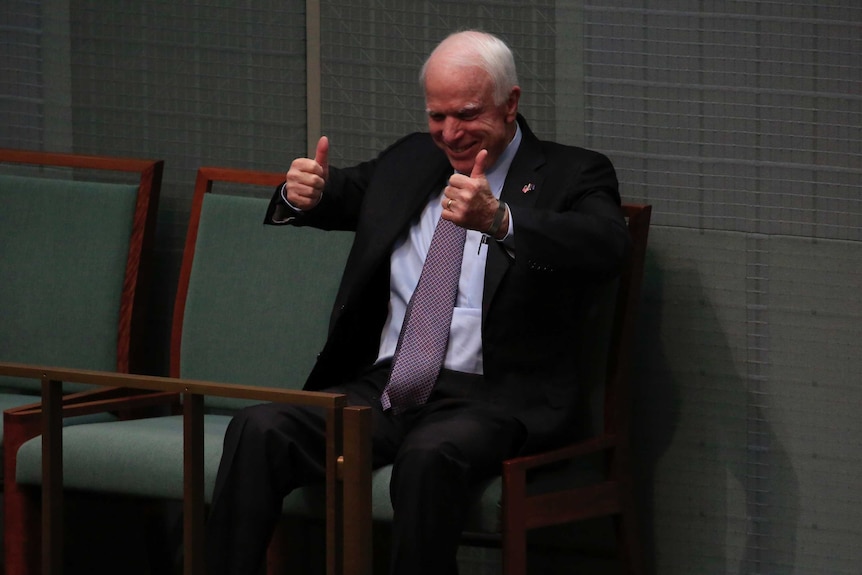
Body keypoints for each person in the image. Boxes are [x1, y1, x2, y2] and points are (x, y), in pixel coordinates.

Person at [205, 29, 630, 575]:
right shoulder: (412, 159)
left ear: (511, 103)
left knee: (429, 458)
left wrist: (502, 221)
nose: (449, 133)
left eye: (467, 114)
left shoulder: (573, 172)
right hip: (387, 387)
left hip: (493, 397)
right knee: (259, 428)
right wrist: (303, 192)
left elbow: (605, 246)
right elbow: (347, 193)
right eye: (437, 116)